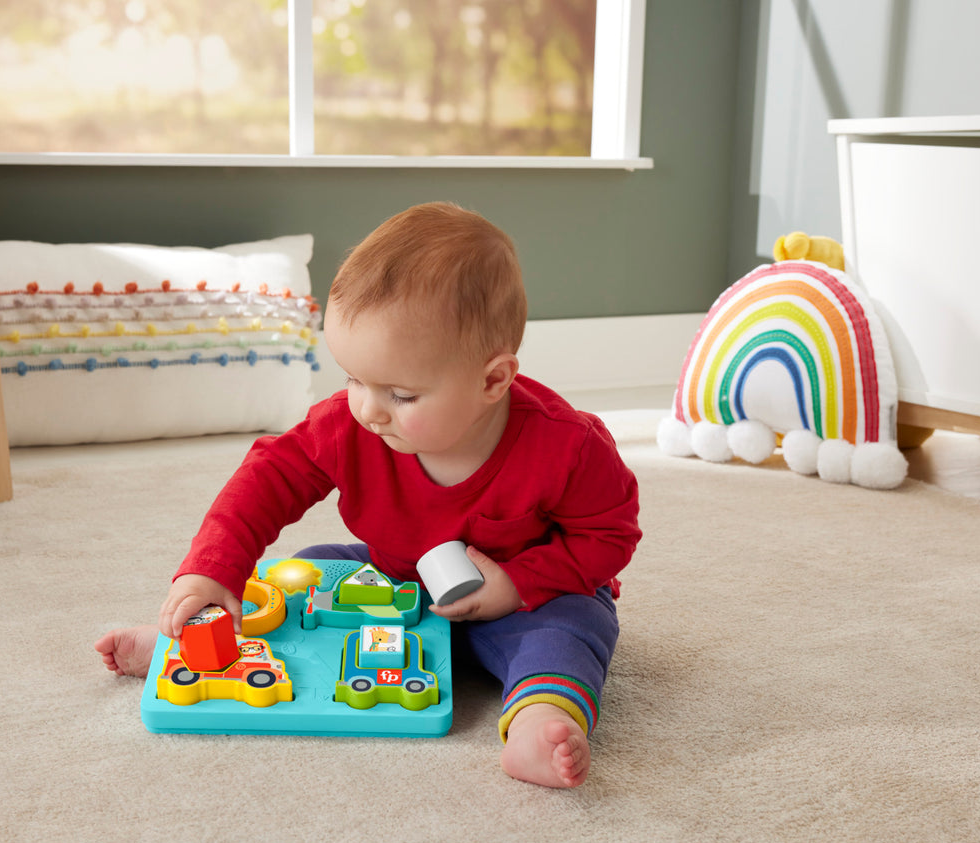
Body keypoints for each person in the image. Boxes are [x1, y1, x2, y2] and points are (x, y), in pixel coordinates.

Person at [96, 202, 641, 788]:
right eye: (352, 378)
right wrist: (212, 571)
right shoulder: (350, 424)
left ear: (492, 380)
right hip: (393, 579)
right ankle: (195, 642)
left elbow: (608, 537)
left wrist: (516, 586)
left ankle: (538, 720)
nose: (368, 409)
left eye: (401, 394)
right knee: (302, 579)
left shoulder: (568, 445)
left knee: (575, 627)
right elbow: (267, 479)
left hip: (530, 594)